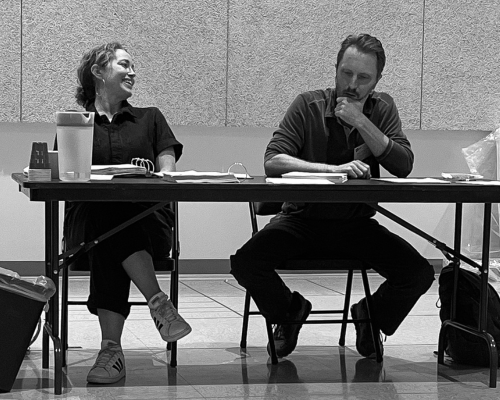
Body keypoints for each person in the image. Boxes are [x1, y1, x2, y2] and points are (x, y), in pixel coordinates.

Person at [230, 33, 435, 360]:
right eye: (346, 73)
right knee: (246, 263)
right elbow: (273, 160)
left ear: (377, 80)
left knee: (418, 273)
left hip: (356, 224)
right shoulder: (307, 105)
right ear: (336, 68)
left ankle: (370, 315)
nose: (352, 84)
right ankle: (290, 311)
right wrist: (329, 169)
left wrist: (361, 121)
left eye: (363, 77)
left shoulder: (382, 109)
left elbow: (403, 165)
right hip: (301, 220)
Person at [63, 42, 191, 384]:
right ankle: (159, 303)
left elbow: (170, 174)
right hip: (88, 225)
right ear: (98, 72)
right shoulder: (75, 124)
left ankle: (110, 352)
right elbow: (64, 177)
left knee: (112, 229)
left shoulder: (150, 117)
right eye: (124, 64)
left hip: (147, 222)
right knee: (107, 220)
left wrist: (151, 173)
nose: (132, 71)